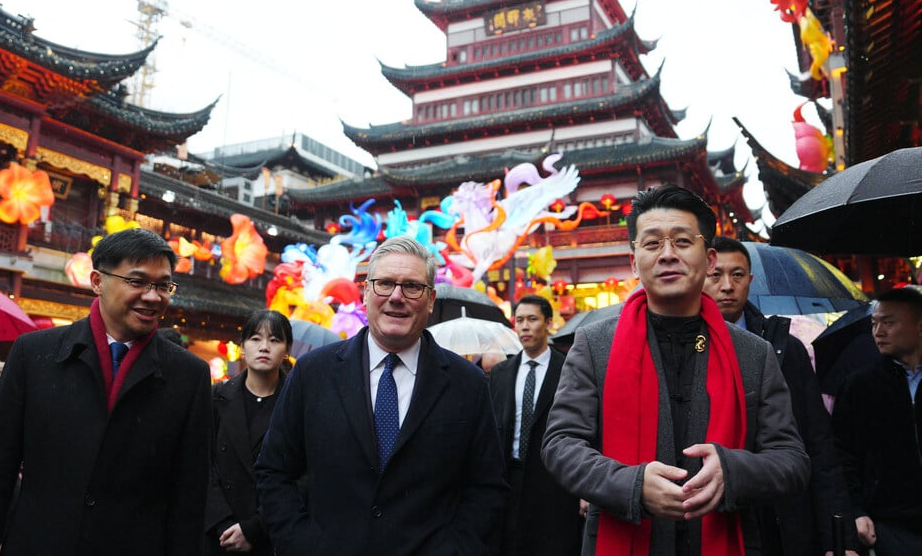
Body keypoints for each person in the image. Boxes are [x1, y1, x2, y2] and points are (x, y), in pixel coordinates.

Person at [541, 184, 809, 555]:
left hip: (725, 537)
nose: (667, 255)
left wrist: (732, 472)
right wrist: (632, 484)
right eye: (651, 244)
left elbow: (791, 460)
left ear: (709, 259)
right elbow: (561, 444)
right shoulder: (593, 345)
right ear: (634, 263)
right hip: (622, 535)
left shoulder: (753, 353)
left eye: (683, 241)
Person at [256, 236, 507, 555]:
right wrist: (303, 543)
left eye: (412, 287)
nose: (397, 297)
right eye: (385, 283)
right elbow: (273, 471)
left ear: (430, 299)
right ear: (365, 293)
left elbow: (487, 488)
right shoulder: (312, 373)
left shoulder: (467, 383)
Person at [0, 228, 212, 556]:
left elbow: (189, 497)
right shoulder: (34, 354)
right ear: (97, 281)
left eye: (162, 285)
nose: (153, 296)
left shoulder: (189, 375)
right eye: (137, 281)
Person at [705, 237, 858, 556]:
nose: (727, 286)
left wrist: (838, 538)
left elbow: (819, 444)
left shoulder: (787, 349)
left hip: (784, 509)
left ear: (749, 281)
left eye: (736, 275)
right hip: (713, 510)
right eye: (716, 275)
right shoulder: (687, 348)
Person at [489, 294, 582, 555]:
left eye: (532, 319)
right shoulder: (501, 372)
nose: (525, 327)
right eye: (519, 320)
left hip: (553, 480)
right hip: (510, 477)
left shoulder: (568, 370)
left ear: (548, 323)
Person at [832, 286, 922, 555]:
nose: (878, 332)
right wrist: (855, 510)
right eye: (874, 323)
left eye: (889, 323)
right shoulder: (859, 385)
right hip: (887, 526)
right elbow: (842, 455)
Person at [204, 309, 291, 556]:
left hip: (271, 535)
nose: (264, 347)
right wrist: (223, 523)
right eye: (255, 339)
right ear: (242, 346)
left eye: (275, 340)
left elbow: (303, 477)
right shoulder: (217, 397)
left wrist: (255, 528)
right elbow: (203, 464)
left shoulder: (297, 402)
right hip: (218, 533)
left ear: (286, 350)